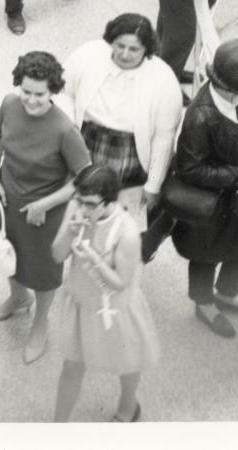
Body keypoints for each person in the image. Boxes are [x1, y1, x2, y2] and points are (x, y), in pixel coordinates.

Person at [0, 51, 91, 364]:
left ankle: (40, 324)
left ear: (53, 91)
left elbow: (85, 179)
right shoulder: (9, 104)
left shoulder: (64, 129)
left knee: (44, 273)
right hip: (6, 199)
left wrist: (44, 204)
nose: (31, 101)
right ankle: (18, 298)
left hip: (46, 213)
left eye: (39, 95)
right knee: (6, 255)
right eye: (26, 92)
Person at [170, 39, 238, 340]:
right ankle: (204, 303)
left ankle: (227, 294)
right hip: (213, 203)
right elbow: (189, 169)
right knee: (206, 254)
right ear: (237, 85)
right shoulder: (200, 116)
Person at [52, 166, 159, 423]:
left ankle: (128, 406)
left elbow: (120, 282)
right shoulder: (76, 209)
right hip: (82, 301)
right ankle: (57, 427)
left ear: (110, 201)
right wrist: (70, 230)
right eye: (78, 200)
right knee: (71, 367)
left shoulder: (128, 232)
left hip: (115, 306)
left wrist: (95, 260)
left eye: (88, 204)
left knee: (129, 359)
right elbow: (57, 254)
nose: (81, 208)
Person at [60, 15, 182, 222]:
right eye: (120, 46)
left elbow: (164, 137)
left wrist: (153, 184)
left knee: (118, 213)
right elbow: (65, 95)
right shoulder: (87, 55)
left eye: (134, 49)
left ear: (146, 49)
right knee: (80, 201)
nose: (124, 54)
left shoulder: (164, 79)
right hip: (87, 139)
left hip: (130, 151)